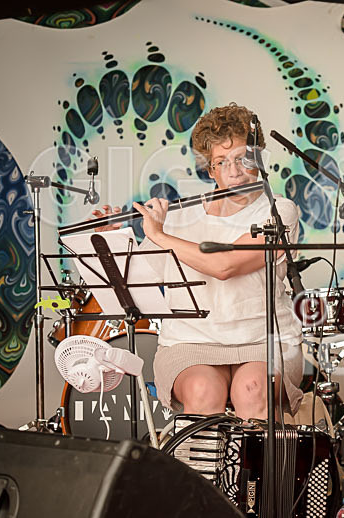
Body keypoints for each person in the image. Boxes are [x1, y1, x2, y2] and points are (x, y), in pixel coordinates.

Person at [91, 103, 304, 419]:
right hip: (190, 342)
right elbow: (136, 279)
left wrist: (160, 235)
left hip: (265, 340)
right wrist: (111, 241)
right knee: (202, 391)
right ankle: (201, 456)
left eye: (243, 159)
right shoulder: (179, 216)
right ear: (210, 169)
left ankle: (256, 455)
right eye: (221, 162)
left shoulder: (279, 211)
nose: (234, 171)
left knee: (253, 389)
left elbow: (225, 266)